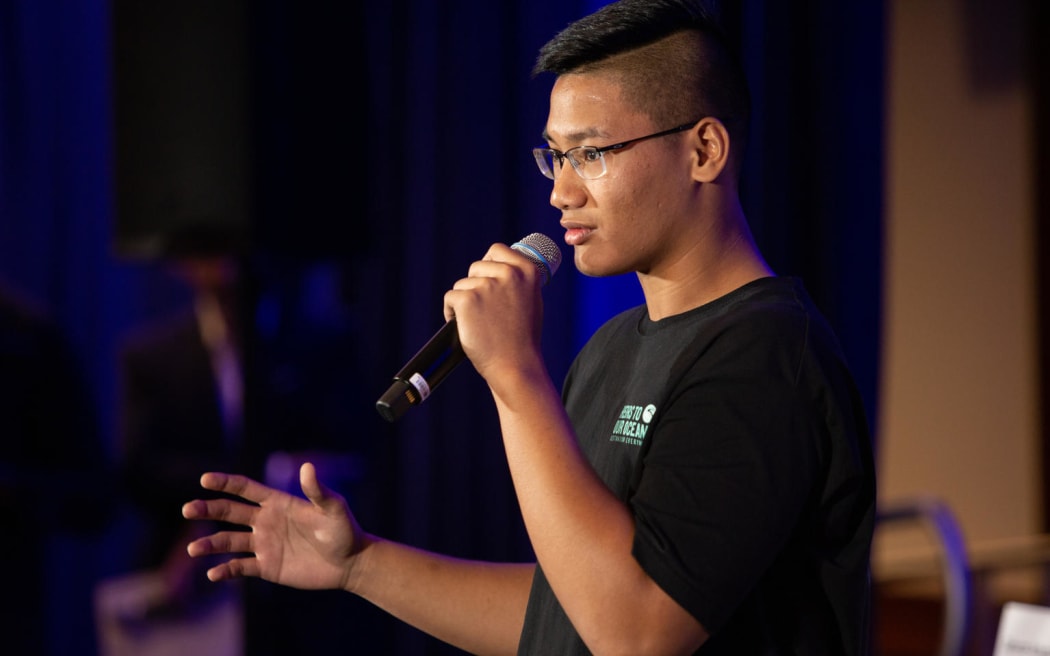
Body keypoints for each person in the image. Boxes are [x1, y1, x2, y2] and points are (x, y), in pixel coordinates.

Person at [182, 0, 877, 653]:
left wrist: (513, 371)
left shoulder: (765, 354)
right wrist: (360, 564)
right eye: (554, 155)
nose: (560, 190)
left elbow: (636, 633)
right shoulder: (610, 350)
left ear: (703, 151)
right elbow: (569, 612)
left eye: (592, 154)